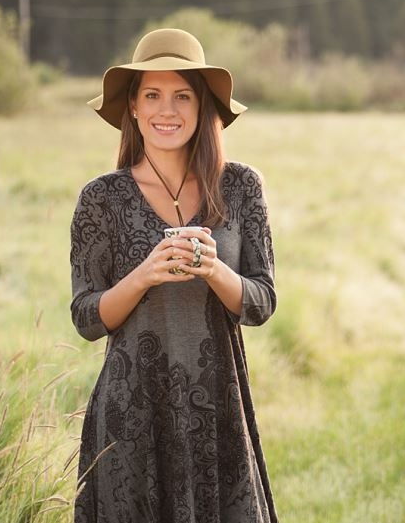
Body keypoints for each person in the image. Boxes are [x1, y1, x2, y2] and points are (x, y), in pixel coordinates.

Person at [69, 28, 278, 522]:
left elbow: (262, 301)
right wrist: (144, 275)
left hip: (219, 412)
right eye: (153, 95)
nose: (168, 110)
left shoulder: (242, 186)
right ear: (134, 109)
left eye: (183, 95)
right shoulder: (101, 199)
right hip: (131, 416)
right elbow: (86, 318)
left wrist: (214, 269)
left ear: (203, 107)